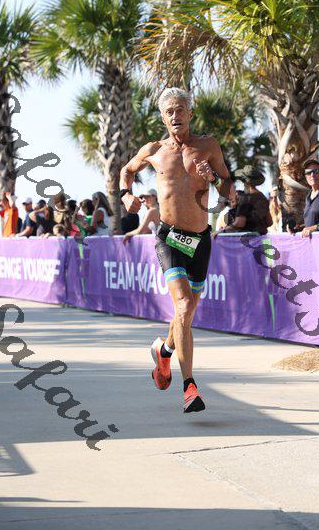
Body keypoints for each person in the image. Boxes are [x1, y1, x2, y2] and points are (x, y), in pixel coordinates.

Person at [120, 87, 234, 413]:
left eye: (180, 109)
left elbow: (229, 189)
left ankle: (164, 351)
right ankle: (189, 387)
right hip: (169, 238)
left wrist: (213, 178)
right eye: (169, 111)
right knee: (183, 305)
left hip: (200, 240)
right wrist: (125, 195)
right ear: (162, 117)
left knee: (187, 313)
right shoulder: (154, 150)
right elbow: (127, 170)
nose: (175, 116)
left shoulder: (208, 146)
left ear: (190, 113)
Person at [213, 167, 272, 236]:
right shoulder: (263, 197)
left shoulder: (245, 198)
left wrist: (222, 231)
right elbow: (269, 222)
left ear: (244, 181)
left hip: (247, 239)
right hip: (261, 238)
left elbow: (239, 223)